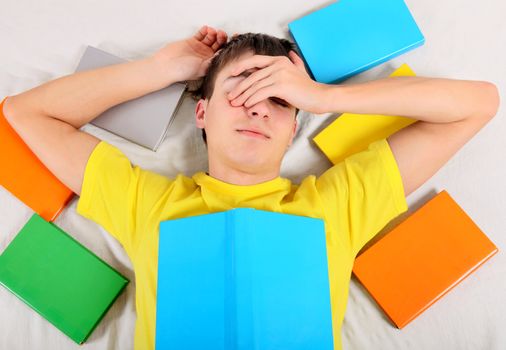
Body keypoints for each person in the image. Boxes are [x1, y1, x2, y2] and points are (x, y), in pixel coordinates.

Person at [1, 25, 499, 350]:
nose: (260, 106)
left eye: (279, 99)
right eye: (241, 88)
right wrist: (163, 70)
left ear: (293, 128)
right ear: (202, 112)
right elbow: (25, 113)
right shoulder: (147, 204)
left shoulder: (338, 203)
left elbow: (479, 103)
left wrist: (323, 96)